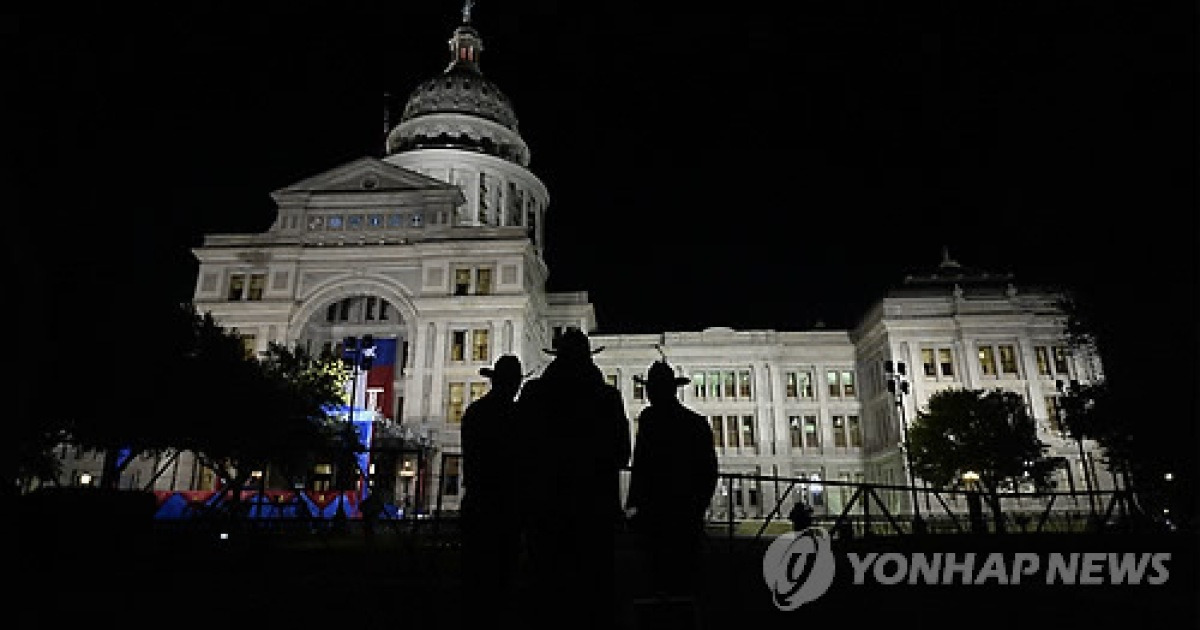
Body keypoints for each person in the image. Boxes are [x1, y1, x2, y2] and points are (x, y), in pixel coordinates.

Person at [517, 328, 631, 630]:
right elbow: (622, 453)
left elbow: (518, 449)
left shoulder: (533, 395)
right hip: (593, 512)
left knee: (546, 590)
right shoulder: (607, 397)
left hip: (545, 508)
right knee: (592, 594)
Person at [625, 359, 718, 602]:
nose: (649, 394)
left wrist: (634, 503)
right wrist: (698, 505)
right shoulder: (696, 422)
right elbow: (709, 470)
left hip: (659, 512)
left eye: (652, 388)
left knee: (659, 580)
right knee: (683, 581)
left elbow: (641, 465)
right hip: (683, 512)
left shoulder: (650, 420)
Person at [460, 354, 525, 624]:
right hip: (507, 503)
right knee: (503, 573)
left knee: (477, 575)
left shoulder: (475, 412)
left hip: (479, 499)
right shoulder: (518, 416)